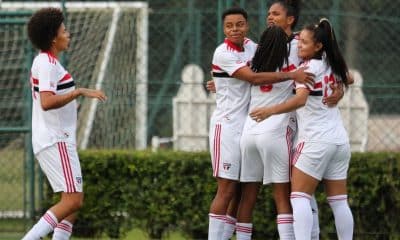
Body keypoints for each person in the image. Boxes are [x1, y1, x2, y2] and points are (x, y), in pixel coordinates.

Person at [207, 7, 314, 240]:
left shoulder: (255, 49)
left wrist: (219, 82)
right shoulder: (223, 52)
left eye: (240, 24)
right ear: (223, 29)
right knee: (229, 191)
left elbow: (254, 75)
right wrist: (293, 75)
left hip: (249, 127)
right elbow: (254, 77)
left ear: (247, 26)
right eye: (229, 26)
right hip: (227, 127)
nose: (235, 29)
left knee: (243, 194)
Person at [250, 18, 354, 240]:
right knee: (339, 202)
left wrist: (269, 111)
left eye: (304, 43)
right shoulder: (330, 61)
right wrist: (340, 88)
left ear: (318, 46)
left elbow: (299, 101)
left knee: (298, 197)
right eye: (300, 41)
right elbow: (349, 78)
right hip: (339, 142)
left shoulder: (307, 69)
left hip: (315, 141)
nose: (299, 46)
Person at [22, 8, 107, 240]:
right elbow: (47, 102)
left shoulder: (47, 62)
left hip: (56, 139)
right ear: (53, 38)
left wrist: (73, 101)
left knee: (71, 204)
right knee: (73, 200)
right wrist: (78, 92)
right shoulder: (47, 63)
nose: (68, 34)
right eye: (64, 30)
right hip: (55, 139)